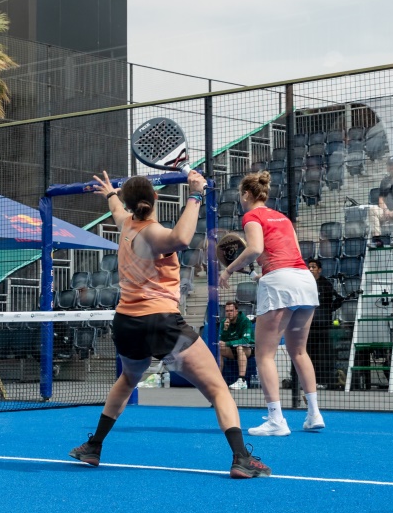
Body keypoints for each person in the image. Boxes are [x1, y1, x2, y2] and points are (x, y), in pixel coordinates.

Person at [69, 169, 271, 478]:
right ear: (156, 199)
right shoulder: (152, 232)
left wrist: (111, 193)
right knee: (218, 389)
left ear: (129, 203)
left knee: (127, 380)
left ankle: (94, 446)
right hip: (161, 323)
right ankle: (241, 458)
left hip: (127, 323)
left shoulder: (125, 227)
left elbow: (116, 210)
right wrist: (195, 193)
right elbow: (180, 238)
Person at [219, 171, 323, 436]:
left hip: (280, 283)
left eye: (241, 195)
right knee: (298, 351)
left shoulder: (251, 216)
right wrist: (259, 272)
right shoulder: (284, 218)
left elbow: (254, 249)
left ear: (246, 194)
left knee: (265, 354)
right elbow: (290, 255)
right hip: (304, 280)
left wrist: (228, 270)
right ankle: (314, 414)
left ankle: (277, 420)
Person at [307, 259, 345, 389]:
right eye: (309, 267)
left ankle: (322, 380)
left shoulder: (326, 284)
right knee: (308, 353)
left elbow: (337, 300)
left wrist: (327, 311)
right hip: (309, 326)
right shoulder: (305, 283)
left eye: (313, 267)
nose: (311, 269)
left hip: (323, 326)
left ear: (319, 269)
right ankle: (307, 381)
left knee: (323, 354)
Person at [220, 301, 254, 390]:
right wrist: (225, 329)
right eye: (227, 311)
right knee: (219, 348)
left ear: (236, 311)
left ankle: (241, 380)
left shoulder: (245, 321)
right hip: (232, 349)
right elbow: (222, 340)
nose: (229, 313)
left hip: (248, 349)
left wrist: (228, 343)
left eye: (231, 310)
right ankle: (218, 379)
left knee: (240, 347)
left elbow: (245, 340)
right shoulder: (224, 322)